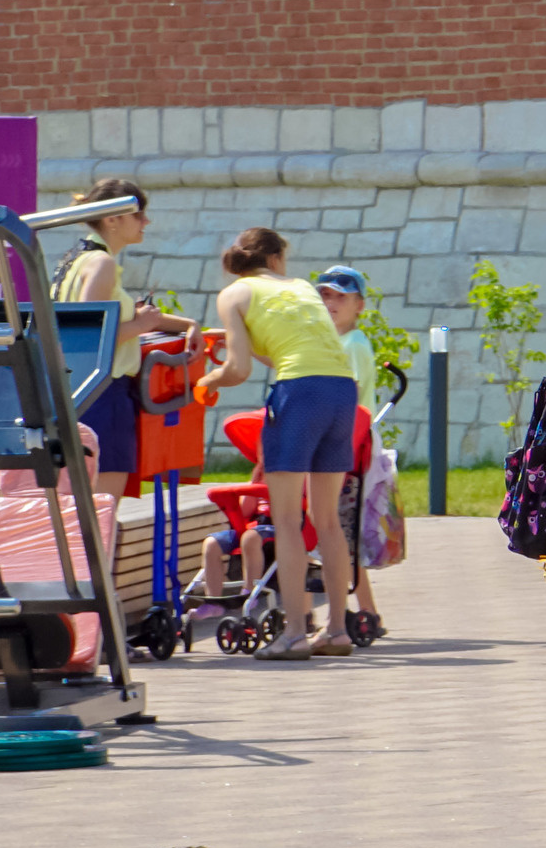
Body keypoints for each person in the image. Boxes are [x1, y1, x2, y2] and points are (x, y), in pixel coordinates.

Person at [197, 227, 360, 661]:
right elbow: (292, 347)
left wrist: (207, 380)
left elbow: (238, 370)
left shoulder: (234, 294)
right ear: (274, 259)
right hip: (342, 391)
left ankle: (293, 634)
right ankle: (338, 630)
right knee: (325, 520)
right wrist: (240, 343)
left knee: (286, 520)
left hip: (299, 396)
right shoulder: (301, 288)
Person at [52, 177, 196, 499]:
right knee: (101, 508)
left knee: (74, 507)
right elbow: (93, 335)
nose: (147, 221)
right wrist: (142, 326)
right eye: (138, 213)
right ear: (112, 219)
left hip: (73, 390)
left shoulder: (76, 259)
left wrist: (186, 325)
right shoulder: (102, 263)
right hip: (104, 392)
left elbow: (104, 320)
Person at [313, 264, 387, 638]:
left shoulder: (354, 344)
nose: (332, 303)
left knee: (338, 533)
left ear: (359, 305)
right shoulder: (330, 342)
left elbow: (350, 398)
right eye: (325, 295)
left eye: (341, 296)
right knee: (340, 534)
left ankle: (349, 614)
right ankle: (368, 611)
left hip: (348, 447)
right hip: (340, 444)